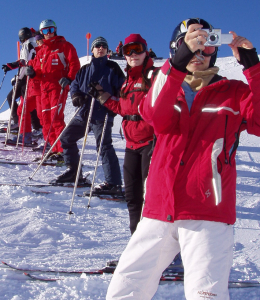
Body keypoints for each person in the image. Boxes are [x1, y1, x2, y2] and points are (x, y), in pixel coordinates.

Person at [105, 18, 260, 300]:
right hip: (158, 209)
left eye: (207, 46)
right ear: (177, 50)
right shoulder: (165, 88)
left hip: (208, 213)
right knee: (124, 291)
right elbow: (152, 114)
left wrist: (254, 66)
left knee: (206, 296)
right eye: (191, 46)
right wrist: (175, 65)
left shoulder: (234, 92)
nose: (199, 54)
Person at [89, 34, 157, 232]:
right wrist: (103, 96)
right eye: (128, 50)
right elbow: (123, 108)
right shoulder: (128, 81)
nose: (133, 54)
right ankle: (136, 244)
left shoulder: (154, 76)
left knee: (150, 197)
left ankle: (160, 249)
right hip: (131, 145)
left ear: (146, 51)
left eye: (137, 49)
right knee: (132, 197)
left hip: (151, 143)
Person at [51, 37, 125, 194]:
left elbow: (122, 89)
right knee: (66, 138)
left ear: (107, 50)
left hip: (102, 113)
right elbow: (75, 85)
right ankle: (74, 172)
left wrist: (114, 104)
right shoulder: (84, 69)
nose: (101, 48)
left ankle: (113, 183)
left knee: (104, 146)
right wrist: (76, 96)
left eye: (104, 46)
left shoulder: (113, 68)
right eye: (97, 46)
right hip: (84, 113)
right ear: (92, 50)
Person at [25, 19, 80, 160]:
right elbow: (37, 70)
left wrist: (69, 78)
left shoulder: (64, 46)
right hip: (44, 89)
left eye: (50, 30)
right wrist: (33, 73)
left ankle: (63, 151)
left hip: (58, 87)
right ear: (42, 33)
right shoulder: (42, 51)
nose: (48, 33)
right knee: (46, 120)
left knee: (56, 118)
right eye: (45, 31)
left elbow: (74, 63)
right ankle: (53, 148)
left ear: (55, 30)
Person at [2, 27, 40, 144]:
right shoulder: (35, 44)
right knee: (27, 106)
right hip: (31, 77)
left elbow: (24, 63)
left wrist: (18, 77)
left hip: (26, 78)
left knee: (22, 105)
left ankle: (22, 128)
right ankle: (30, 129)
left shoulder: (27, 45)